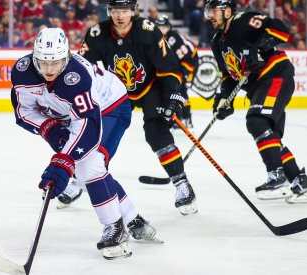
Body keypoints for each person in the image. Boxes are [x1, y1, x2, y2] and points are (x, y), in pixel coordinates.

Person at [10, 27, 161, 260]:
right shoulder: (22, 71)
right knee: (90, 169)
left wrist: (64, 161)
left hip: (111, 107)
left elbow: (88, 125)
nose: (49, 69)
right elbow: (24, 112)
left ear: (67, 57)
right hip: (72, 115)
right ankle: (133, 220)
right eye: (43, 62)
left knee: (89, 166)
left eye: (56, 63)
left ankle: (116, 229)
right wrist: (49, 128)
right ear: (33, 56)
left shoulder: (76, 77)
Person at [79, 0, 198, 215]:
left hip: (152, 87)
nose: (120, 16)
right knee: (99, 132)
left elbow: (170, 67)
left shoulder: (147, 31)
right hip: (118, 90)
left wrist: (174, 97)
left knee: (156, 133)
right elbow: (82, 67)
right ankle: (78, 180)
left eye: (124, 10)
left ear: (133, 11)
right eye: (115, 10)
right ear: (110, 12)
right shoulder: (97, 34)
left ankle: (182, 184)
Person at [205, 0, 307, 204]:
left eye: (213, 11)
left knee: (257, 121)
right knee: (271, 138)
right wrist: (223, 98)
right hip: (258, 86)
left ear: (228, 11)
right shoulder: (217, 42)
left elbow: (280, 29)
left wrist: (262, 45)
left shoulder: (243, 21)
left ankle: (276, 176)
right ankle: (300, 184)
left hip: (275, 75)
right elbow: (229, 75)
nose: (209, 15)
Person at [155, 14, 199, 130]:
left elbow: (188, 56)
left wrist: (184, 73)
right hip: (174, 67)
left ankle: (187, 119)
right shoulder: (155, 38)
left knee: (181, 90)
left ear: (169, 27)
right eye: (159, 27)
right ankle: (174, 119)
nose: (161, 29)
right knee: (168, 91)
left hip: (187, 64)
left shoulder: (173, 38)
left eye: (164, 27)